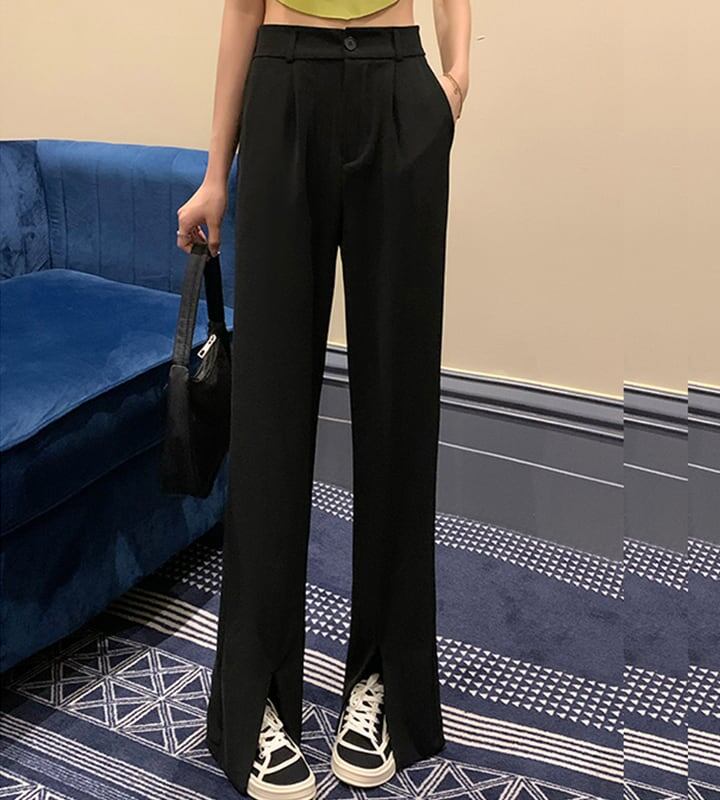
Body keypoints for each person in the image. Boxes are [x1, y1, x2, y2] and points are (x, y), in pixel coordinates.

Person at [175, 0, 470, 797]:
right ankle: (260, 700)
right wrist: (215, 173)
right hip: (284, 81)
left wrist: (456, 78)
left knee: (399, 402)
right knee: (267, 412)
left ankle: (382, 678)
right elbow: (242, 6)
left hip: (399, 83)